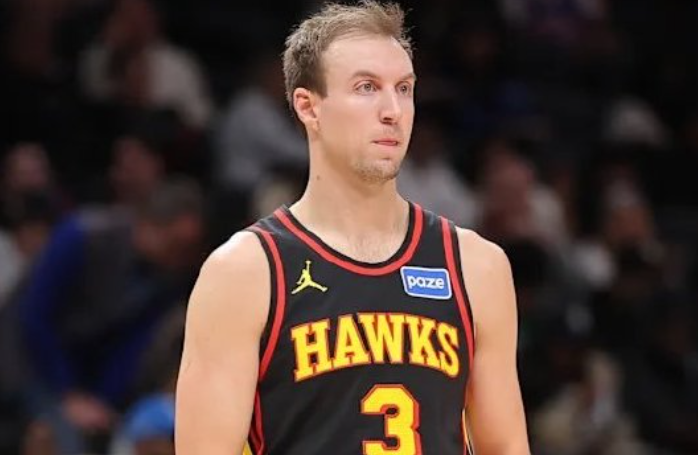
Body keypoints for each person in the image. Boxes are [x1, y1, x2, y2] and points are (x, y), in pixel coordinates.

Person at [175, 2, 530, 454]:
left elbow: (505, 446)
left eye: (404, 89)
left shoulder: (476, 265)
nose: (393, 110)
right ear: (308, 107)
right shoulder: (244, 272)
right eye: (367, 87)